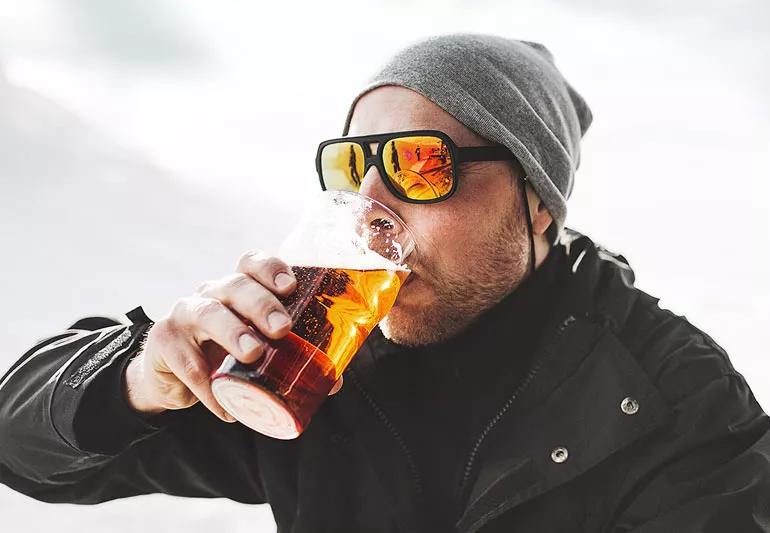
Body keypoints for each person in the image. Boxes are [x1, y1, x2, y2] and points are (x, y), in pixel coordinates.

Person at [1, 33, 769, 533]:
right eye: (351, 168)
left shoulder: (665, 393)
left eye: (419, 164)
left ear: (537, 205)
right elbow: (18, 448)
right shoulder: (314, 355)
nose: (371, 211)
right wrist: (138, 376)